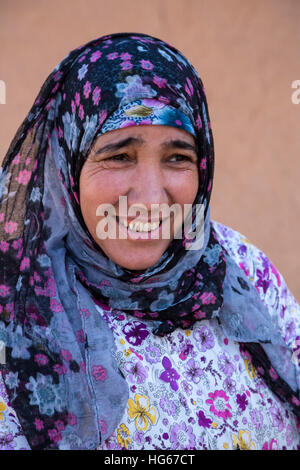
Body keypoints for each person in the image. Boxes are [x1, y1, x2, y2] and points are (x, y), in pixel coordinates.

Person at [0, 32, 299, 451]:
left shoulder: (241, 268)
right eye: (119, 156)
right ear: (65, 163)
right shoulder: (16, 310)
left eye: (177, 157)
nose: (150, 196)